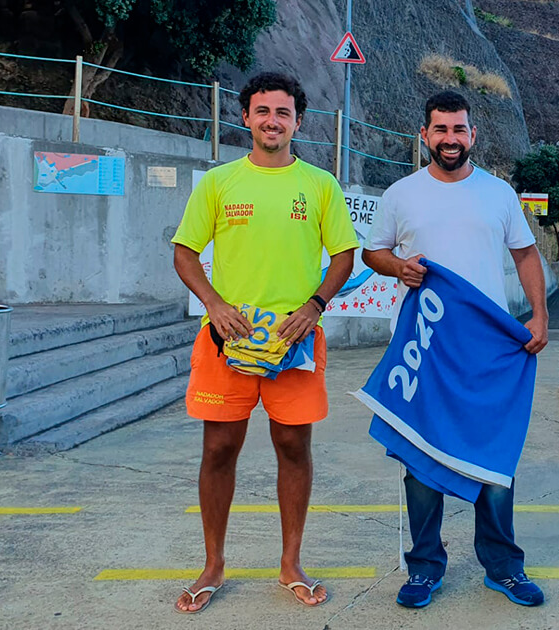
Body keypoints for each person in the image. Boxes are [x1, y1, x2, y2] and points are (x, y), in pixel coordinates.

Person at [170, 72, 359, 613]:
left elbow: (343, 255)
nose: (272, 121)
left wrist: (313, 307)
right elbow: (185, 251)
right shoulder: (218, 182)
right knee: (219, 448)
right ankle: (212, 565)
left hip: (294, 342)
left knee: (293, 447)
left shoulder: (320, 184)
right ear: (245, 117)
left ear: (298, 121)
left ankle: (291, 563)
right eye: (262, 111)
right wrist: (214, 303)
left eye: (283, 112)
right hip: (227, 339)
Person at [362, 91, 549, 609]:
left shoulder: (499, 194)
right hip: (428, 343)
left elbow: (527, 254)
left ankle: (504, 567)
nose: (450, 139)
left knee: (494, 456)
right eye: (440, 129)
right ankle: (424, 568)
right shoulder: (401, 193)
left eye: (459, 129)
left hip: (488, 347)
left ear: (473, 135)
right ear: (424, 135)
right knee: (420, 458)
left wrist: (539, 312)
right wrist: (397, 267)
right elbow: (372, 251)